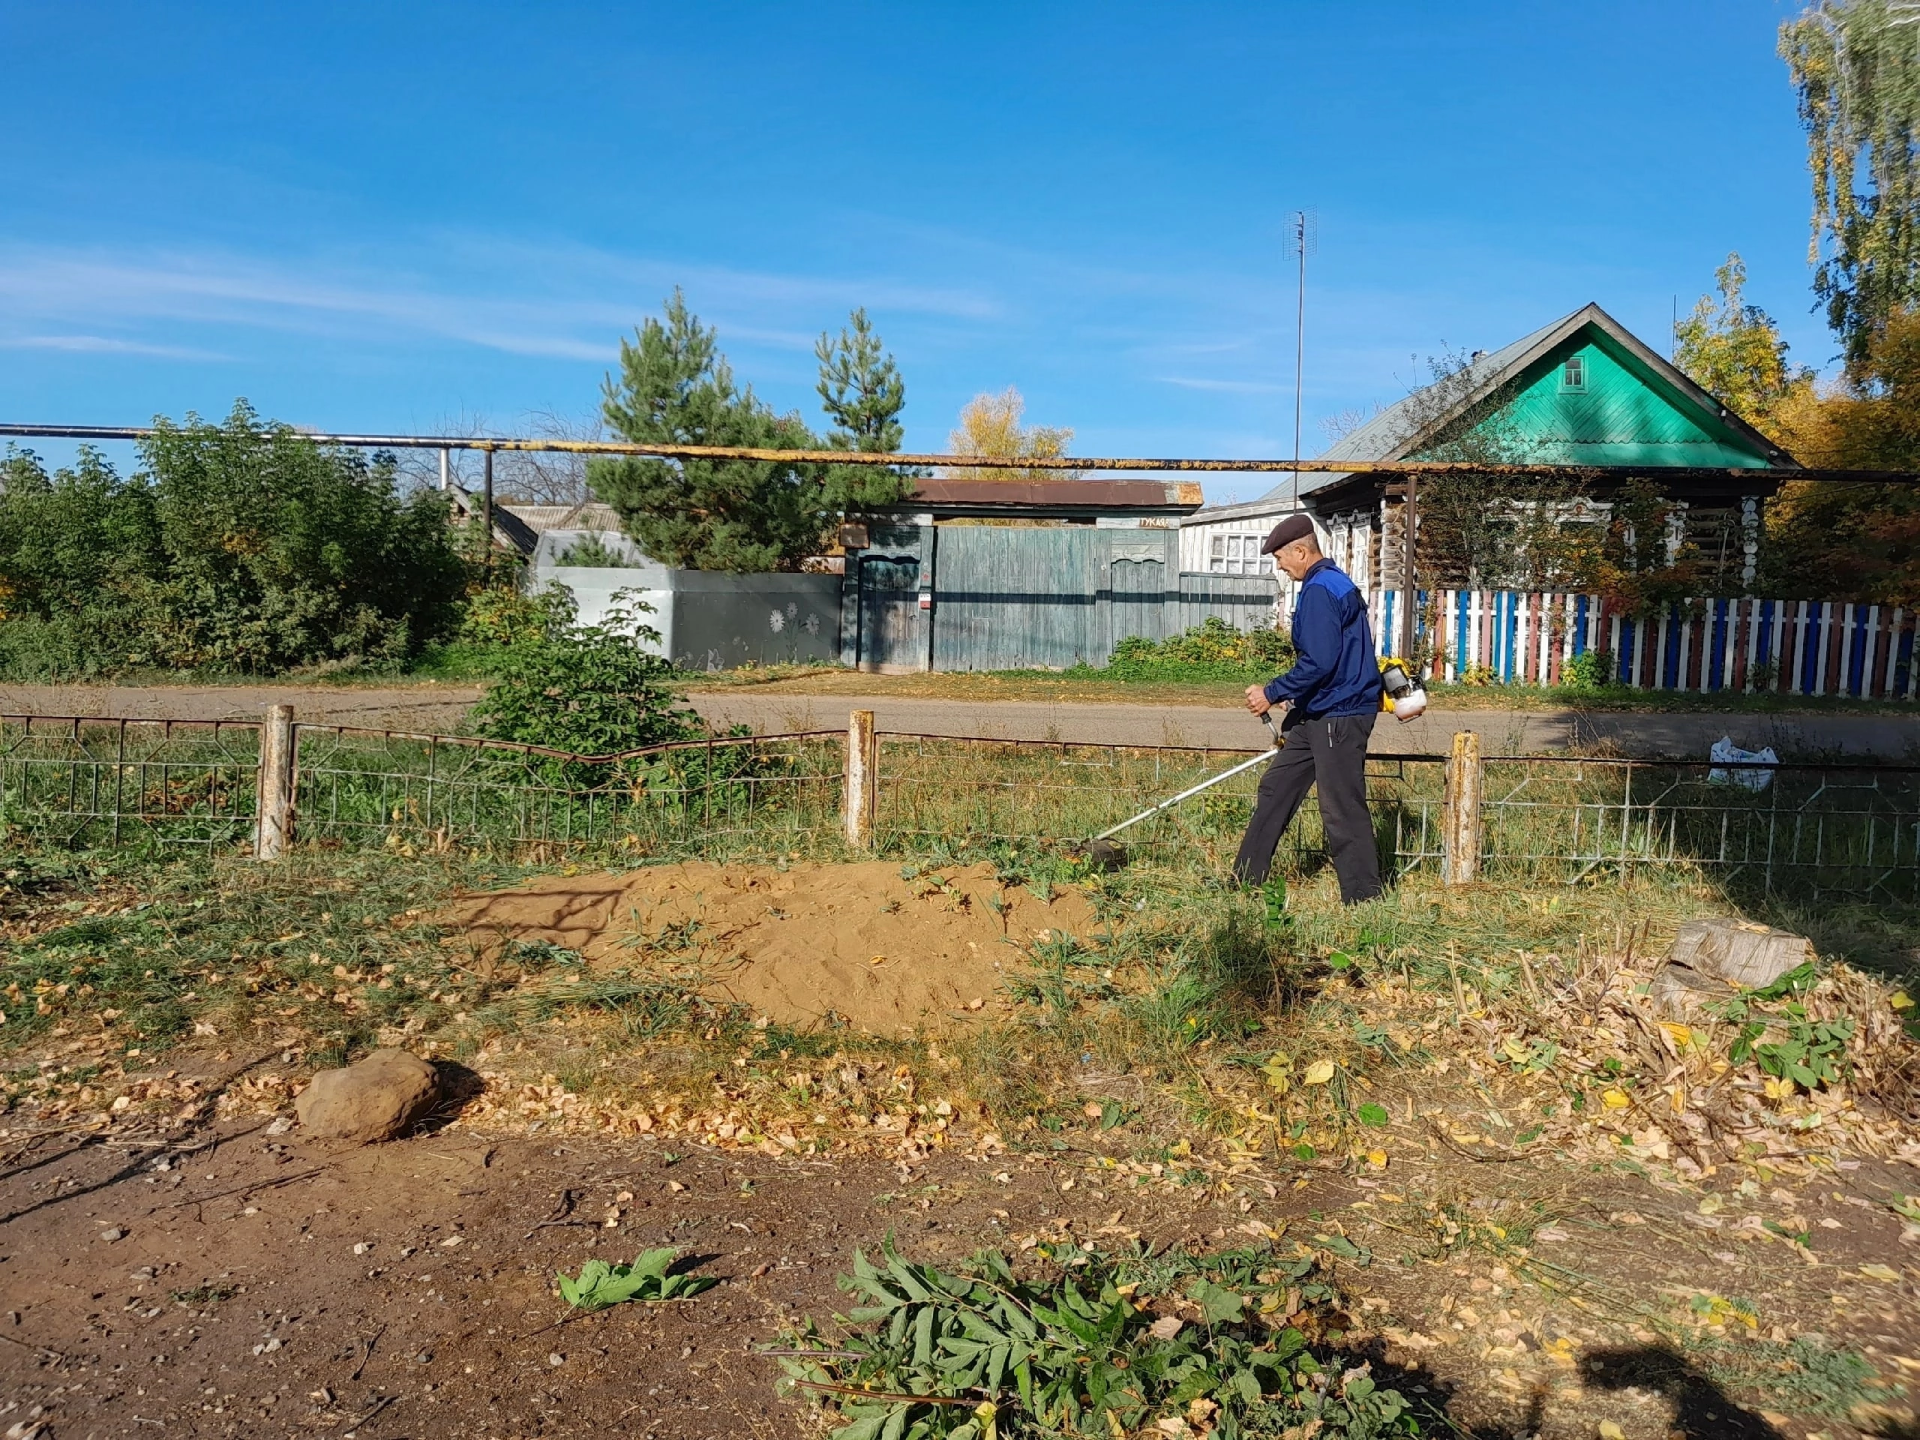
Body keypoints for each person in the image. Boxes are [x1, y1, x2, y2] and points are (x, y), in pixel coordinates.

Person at [1234, 515, 1384, 904]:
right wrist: (1294, 694)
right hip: (1319, 709)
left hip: (1339, 711)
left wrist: (1272, 691)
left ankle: (1364, 898)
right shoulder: (1334, 582)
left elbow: (1319, 660)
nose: (1280, 567)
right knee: (1277, 787)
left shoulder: (1320, 589)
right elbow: (1330, 659)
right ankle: (1244, 880)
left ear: (1302, 551)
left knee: (1340, 806)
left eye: (1282, 559)